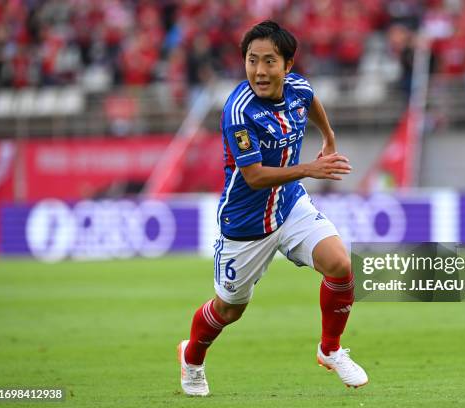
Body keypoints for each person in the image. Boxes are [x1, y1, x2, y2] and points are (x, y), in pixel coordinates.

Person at [178, 20, 368, 396]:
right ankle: (192, 356)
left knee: (340, 265)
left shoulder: (297, 88)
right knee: (230, 309)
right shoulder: (239, 111)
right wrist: (311, 169)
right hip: (247, 220)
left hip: (289, 203)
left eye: (269, 62)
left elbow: (310, 100)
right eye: (252, 61)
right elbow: (253, 176)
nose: (260, 71)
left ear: (288, 65)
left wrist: (328, 137)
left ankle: (329, 349)